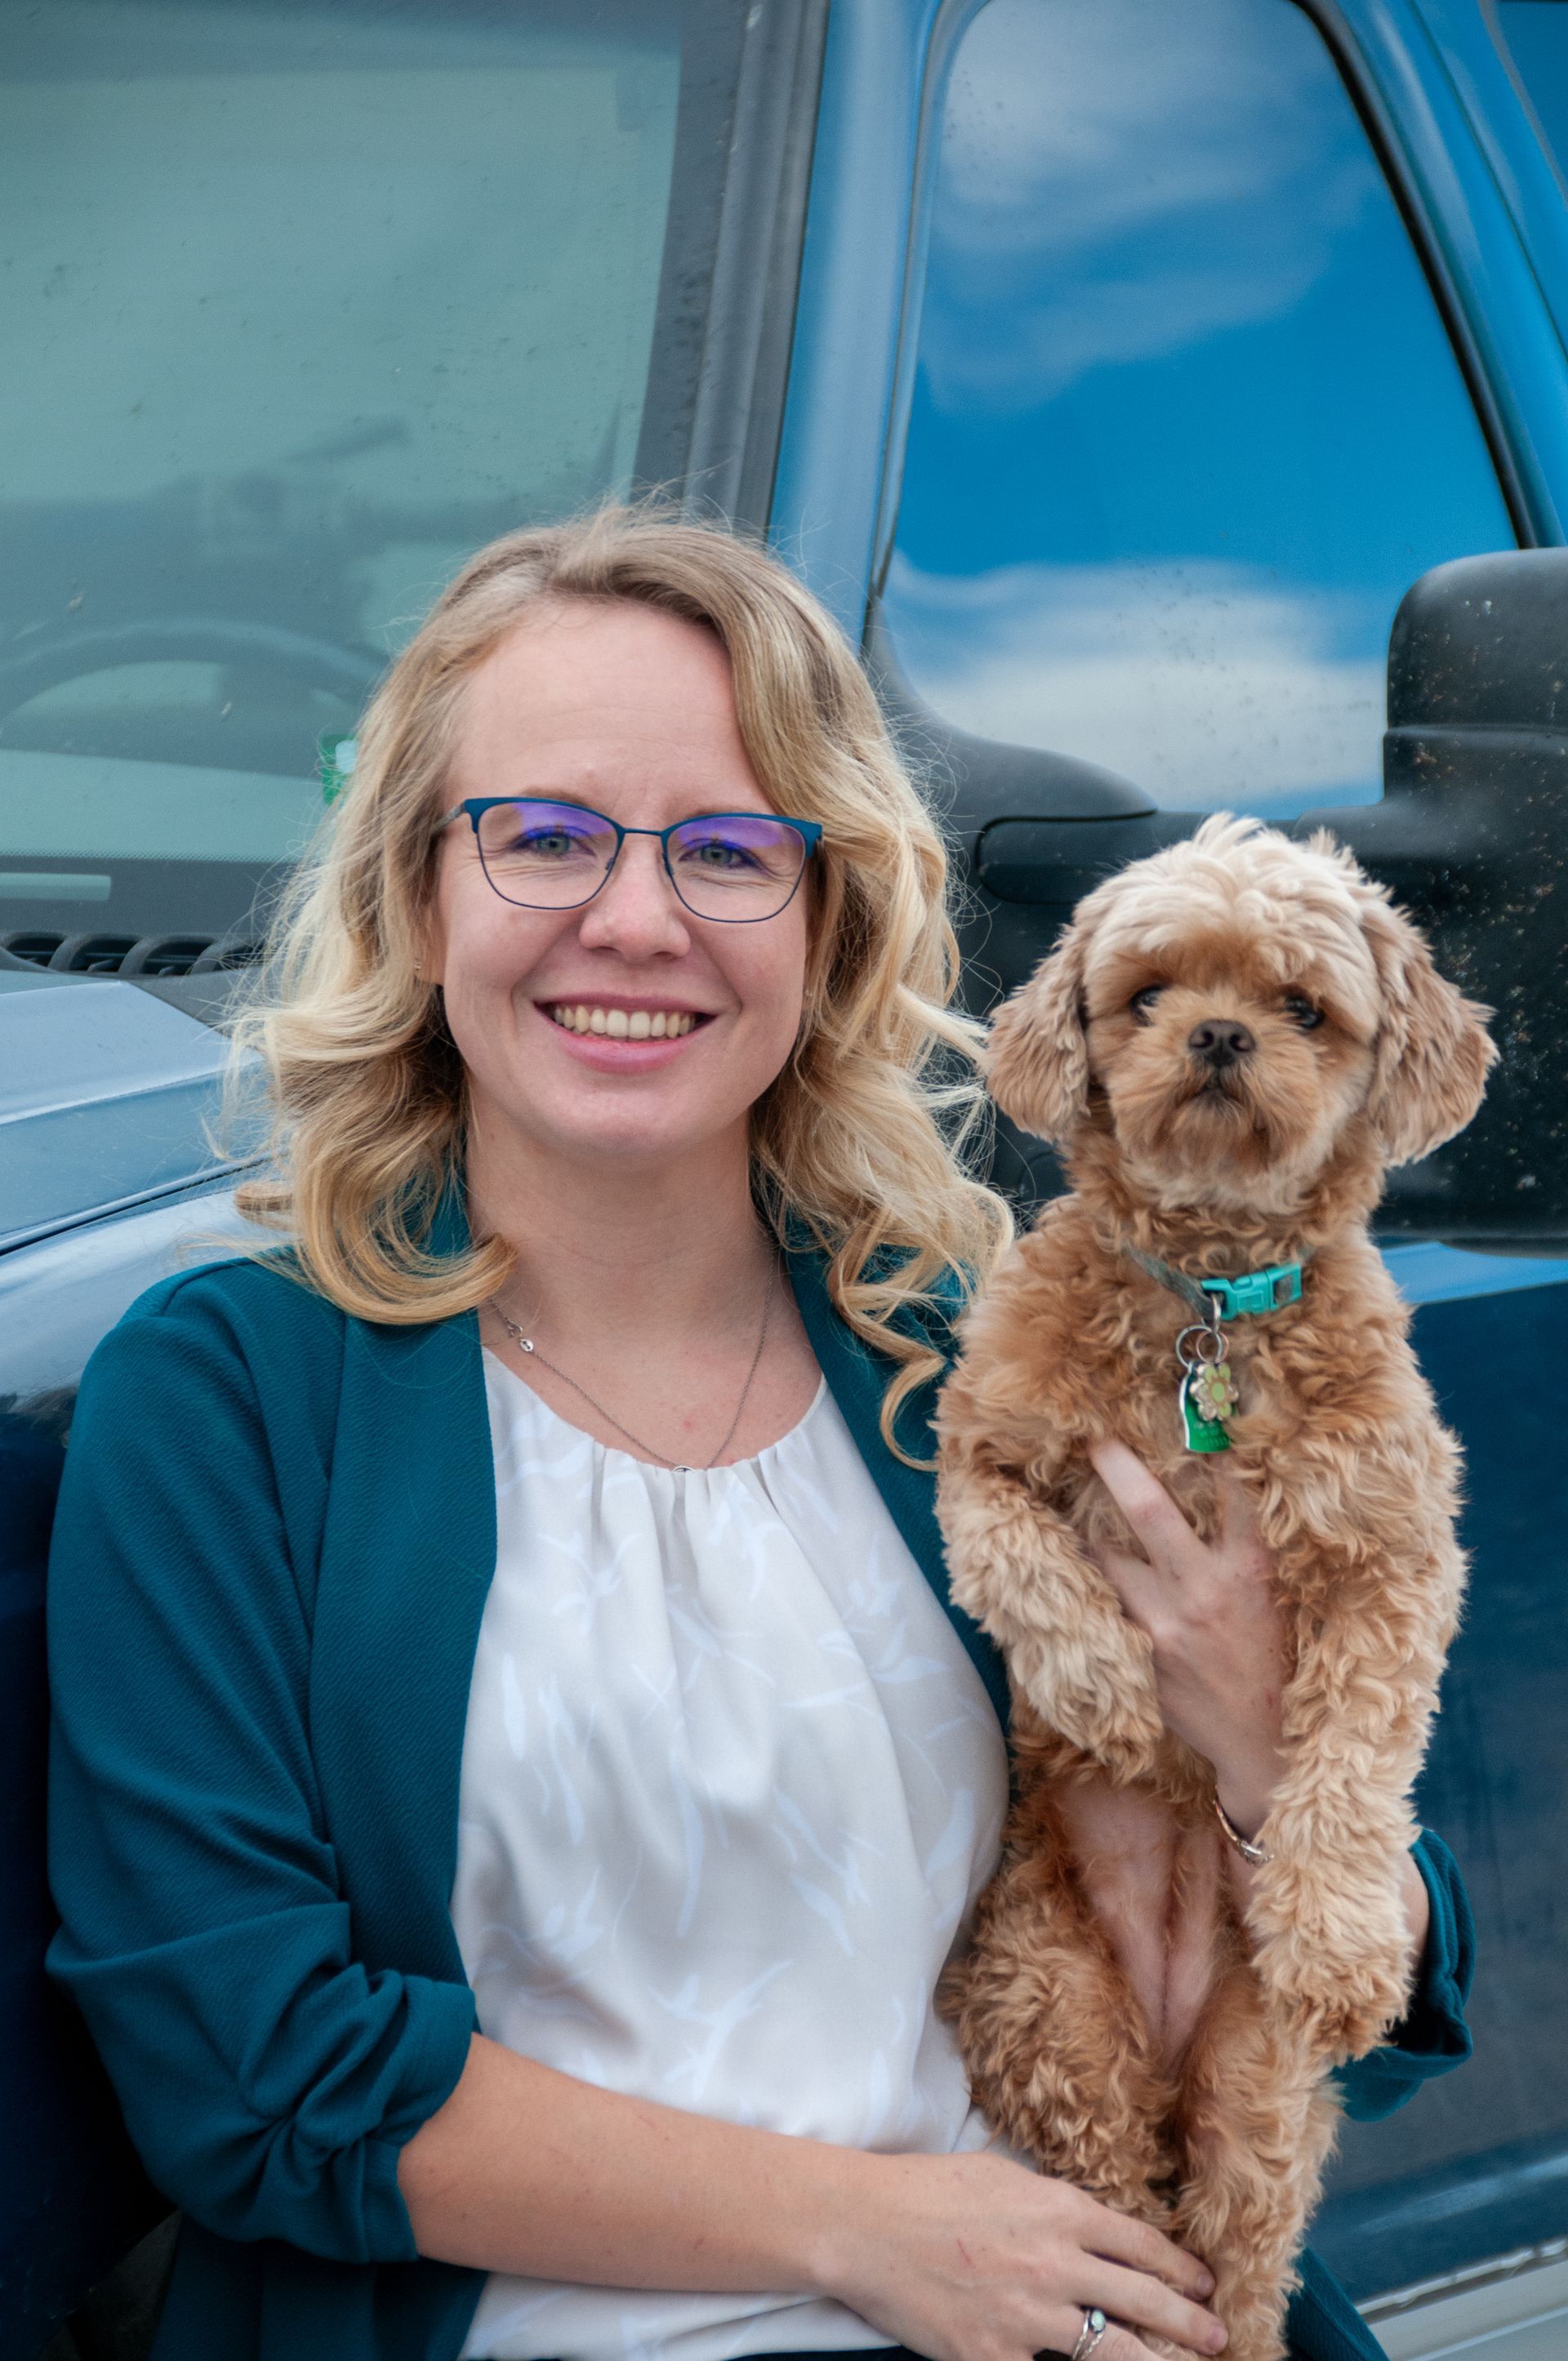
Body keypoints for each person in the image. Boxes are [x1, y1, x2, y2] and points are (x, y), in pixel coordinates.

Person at [47, 510, 1473, 2361]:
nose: (633, 919)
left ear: (831, 922)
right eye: (543, 836)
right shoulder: (232, 1397)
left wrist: (1267, 1735)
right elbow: (256, 2074)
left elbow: (1390, 1945)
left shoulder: (976, 1372)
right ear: (419, 896)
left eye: (729, 850)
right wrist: (870, 2230)